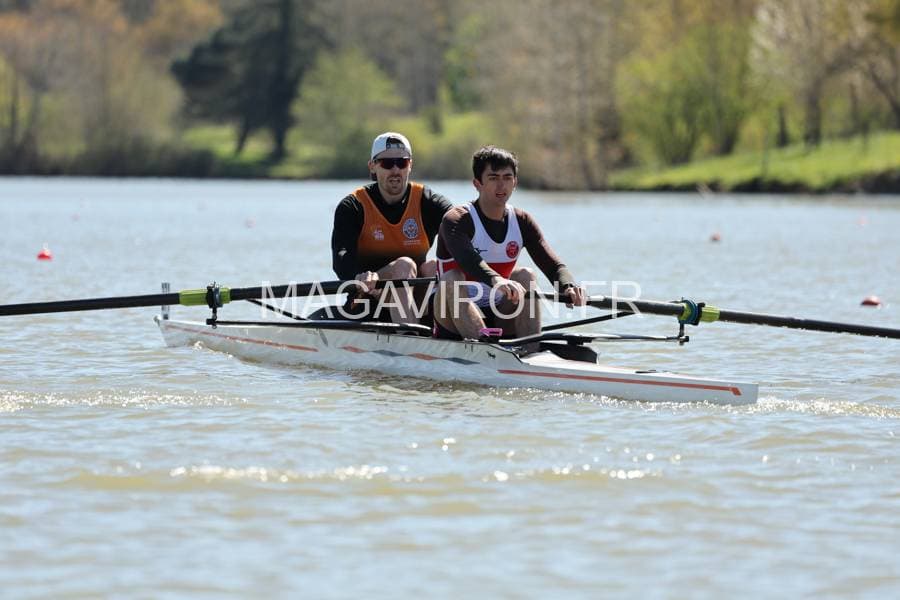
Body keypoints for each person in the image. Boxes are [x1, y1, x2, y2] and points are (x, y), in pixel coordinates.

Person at [433, 145, 585, 342]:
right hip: (451, 314)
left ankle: (530, 351)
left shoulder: (521, 221)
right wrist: (496, 279)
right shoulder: (457, 220)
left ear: (515, 183)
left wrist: (568, 286)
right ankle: (485, 348)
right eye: (493, 178)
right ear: (477, 183)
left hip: (500, 308)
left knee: (525, 275)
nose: (501, 185)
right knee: (452, 277)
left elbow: (552, 264)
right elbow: (467, 259)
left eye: (507, 178)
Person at [331, 132, 453, 324]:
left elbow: (461, 226)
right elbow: (341, 255)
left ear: (410, 165)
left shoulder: (428, 202)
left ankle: (446, 329)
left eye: (402, 163)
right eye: (387, 163)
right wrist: (357, 276)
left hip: (415, 298)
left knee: (433, 268)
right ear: (372, 166)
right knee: (404, 265)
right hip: (366, 299)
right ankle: (410, 333)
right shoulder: (353, 206)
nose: (395, 170)